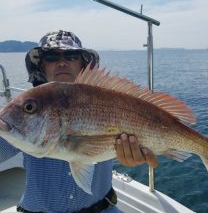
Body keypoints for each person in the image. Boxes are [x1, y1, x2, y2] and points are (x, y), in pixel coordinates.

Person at [0, 30, 158, 213]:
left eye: (71, 55)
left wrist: (134, 156)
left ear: (83, 63)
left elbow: (137, 138)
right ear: (42, 67)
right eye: (51, 56)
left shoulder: (108, 99)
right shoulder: (31, 108)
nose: (61, 62)